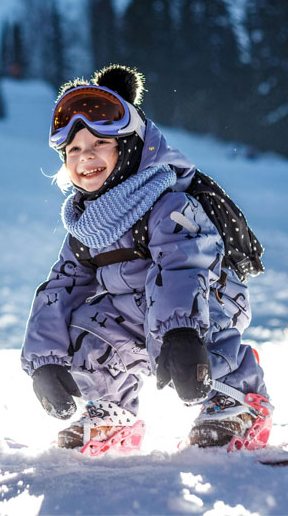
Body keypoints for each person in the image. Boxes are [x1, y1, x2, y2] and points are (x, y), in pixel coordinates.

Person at [21, 64, 272, 454]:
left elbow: (184, 264)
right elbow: (59, 288)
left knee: (175, 304)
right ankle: (112, 409)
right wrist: (44, 361)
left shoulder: (166, 201)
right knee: (84, 325)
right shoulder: (88, 228)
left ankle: (238, 397)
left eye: (99, 144)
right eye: (74, 150)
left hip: (205, 301)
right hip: (147, 315)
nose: (85, 157)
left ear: (130, 146)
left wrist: (181, 332)